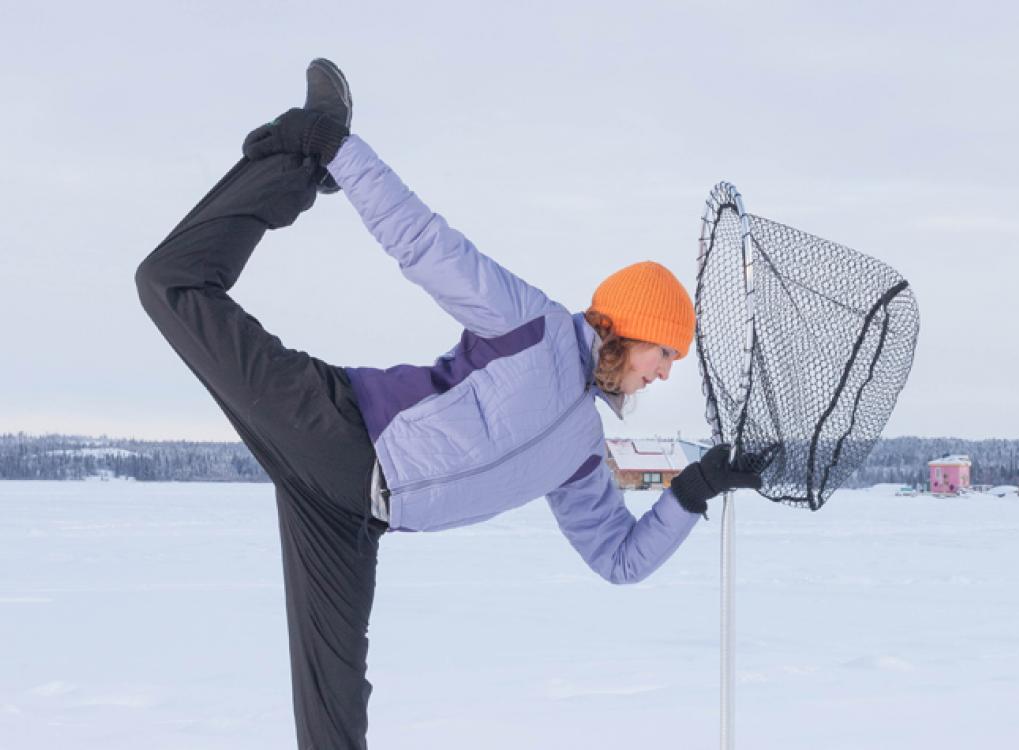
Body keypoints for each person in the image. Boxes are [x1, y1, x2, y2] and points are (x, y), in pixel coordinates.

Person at [135, 59, 764, 750]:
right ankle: (299, 160)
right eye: (666, 354)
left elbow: (620, 558)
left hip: (352, 520)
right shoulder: (533, 324)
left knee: (332, 723)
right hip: (337, 428)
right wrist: (337, 150)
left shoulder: (583, 452)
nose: (666, 374)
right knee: (170, 282)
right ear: (627, 329)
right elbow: (423, 243)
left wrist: (693, 491)